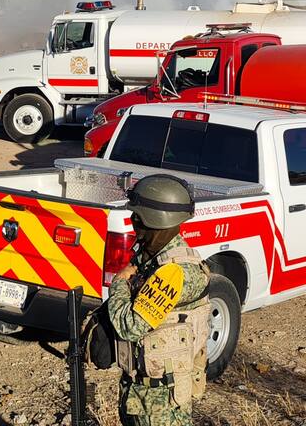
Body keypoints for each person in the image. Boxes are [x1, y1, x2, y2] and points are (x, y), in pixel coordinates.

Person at [108, 174, 211, 426]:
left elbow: (129, 326)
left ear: (155, 220)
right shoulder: (153, 257)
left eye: (138, 218)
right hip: (143, 396)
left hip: (161, 406)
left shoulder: (174, 273)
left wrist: (119, 282)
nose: (134, 224)